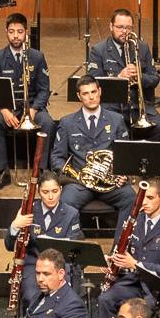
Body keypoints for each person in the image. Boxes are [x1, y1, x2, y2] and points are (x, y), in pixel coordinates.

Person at [92, 178, 160, 318]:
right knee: (104, 299)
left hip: (156, 289)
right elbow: (122, 252)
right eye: (142, 198)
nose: (144, 203)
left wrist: (135, 264)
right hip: (133, 282)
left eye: (150, 198)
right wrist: (114, 261)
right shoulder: (134, 221)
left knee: (138, 314)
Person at [0, 13, 52, 181]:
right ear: (6, 32)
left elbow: (44, 90)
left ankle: (41, 170)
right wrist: (4, 110)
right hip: (6, 107)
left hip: (32, 106)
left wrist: (34, 109)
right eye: (12, 31)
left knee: (48, 123)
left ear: (26, 32)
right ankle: (2, 171)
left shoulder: (37, 56)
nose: (16, 36)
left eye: (20, 31)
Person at [52, 75, 136, 215]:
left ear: (100, 91)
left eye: (93, 92)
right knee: (65, 202)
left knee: (131, 199)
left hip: (111, 183)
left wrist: (123, 174)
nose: (91, 97)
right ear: (79, 96)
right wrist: (75, 176)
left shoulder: (116, 120)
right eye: (85, 93)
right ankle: (74, 234)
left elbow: (126, 154)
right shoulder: (67, 123)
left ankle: (123, 237)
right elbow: (57, 157)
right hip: (79, 184)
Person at [85, 9, 160, 138]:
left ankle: (143, 156)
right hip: (112, 107)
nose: (124, 31)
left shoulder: (142, 47)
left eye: (128, 27)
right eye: (120, 27)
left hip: (138, 106)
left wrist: (139, 77)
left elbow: (155, 78)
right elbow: (92, 83)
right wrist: (119, 78)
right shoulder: (98, 50)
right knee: (119, 132)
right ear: (111, 26)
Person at [6, 172, 82, 308]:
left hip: (60, 264)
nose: (51, 196)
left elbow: (73, 245)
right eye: (45, 192)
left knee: (63, 301)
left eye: (55, 191)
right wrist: (15, 226)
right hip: (34, 265)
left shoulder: (71, 213)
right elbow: (9, 246)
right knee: (31, 297)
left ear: (61, 190)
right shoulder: (29, 211)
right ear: (39, 193)